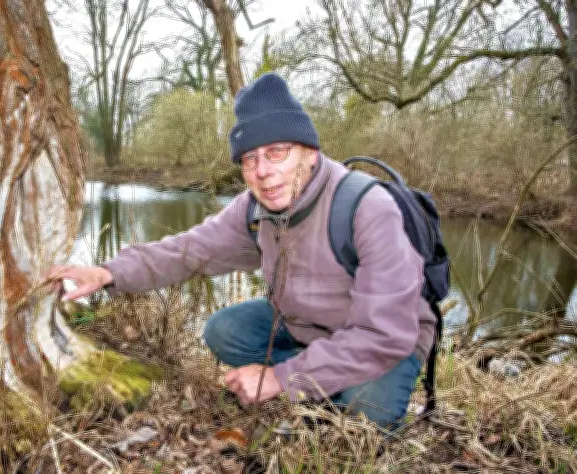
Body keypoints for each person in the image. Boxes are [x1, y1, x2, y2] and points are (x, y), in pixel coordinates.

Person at [46, 73, 436, 429]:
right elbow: (189, 250)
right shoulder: (254, 207)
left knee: (363, 414)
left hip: (383, 340)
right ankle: (319, 382)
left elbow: (384, 334)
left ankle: (327, 390)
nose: (263, 171)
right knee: (225, 331)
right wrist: (107, 272)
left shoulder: (367, 208)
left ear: (310, 153)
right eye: (250, 159)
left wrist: (282, 379)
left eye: (277, 151)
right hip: (304, 324)